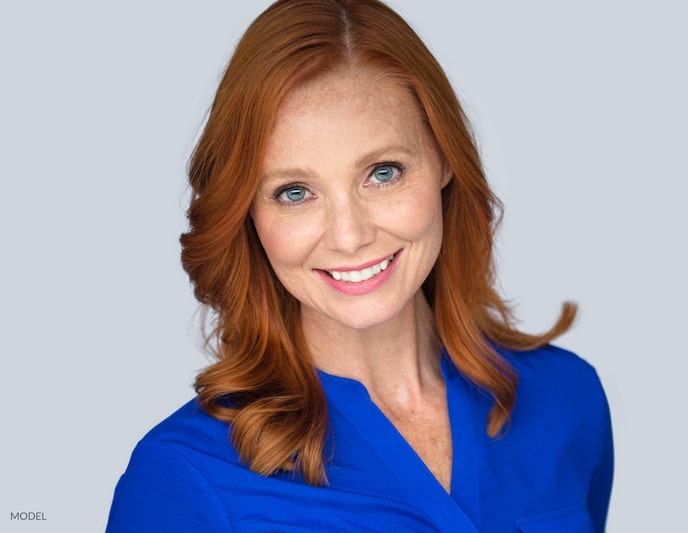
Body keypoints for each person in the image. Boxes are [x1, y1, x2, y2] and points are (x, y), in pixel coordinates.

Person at [107, 0, 613, 531]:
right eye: (295, 192)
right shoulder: (182, 476)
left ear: (444, 159)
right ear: (248, 213)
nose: (349, 236)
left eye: (384, 172)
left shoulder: (567, 398)